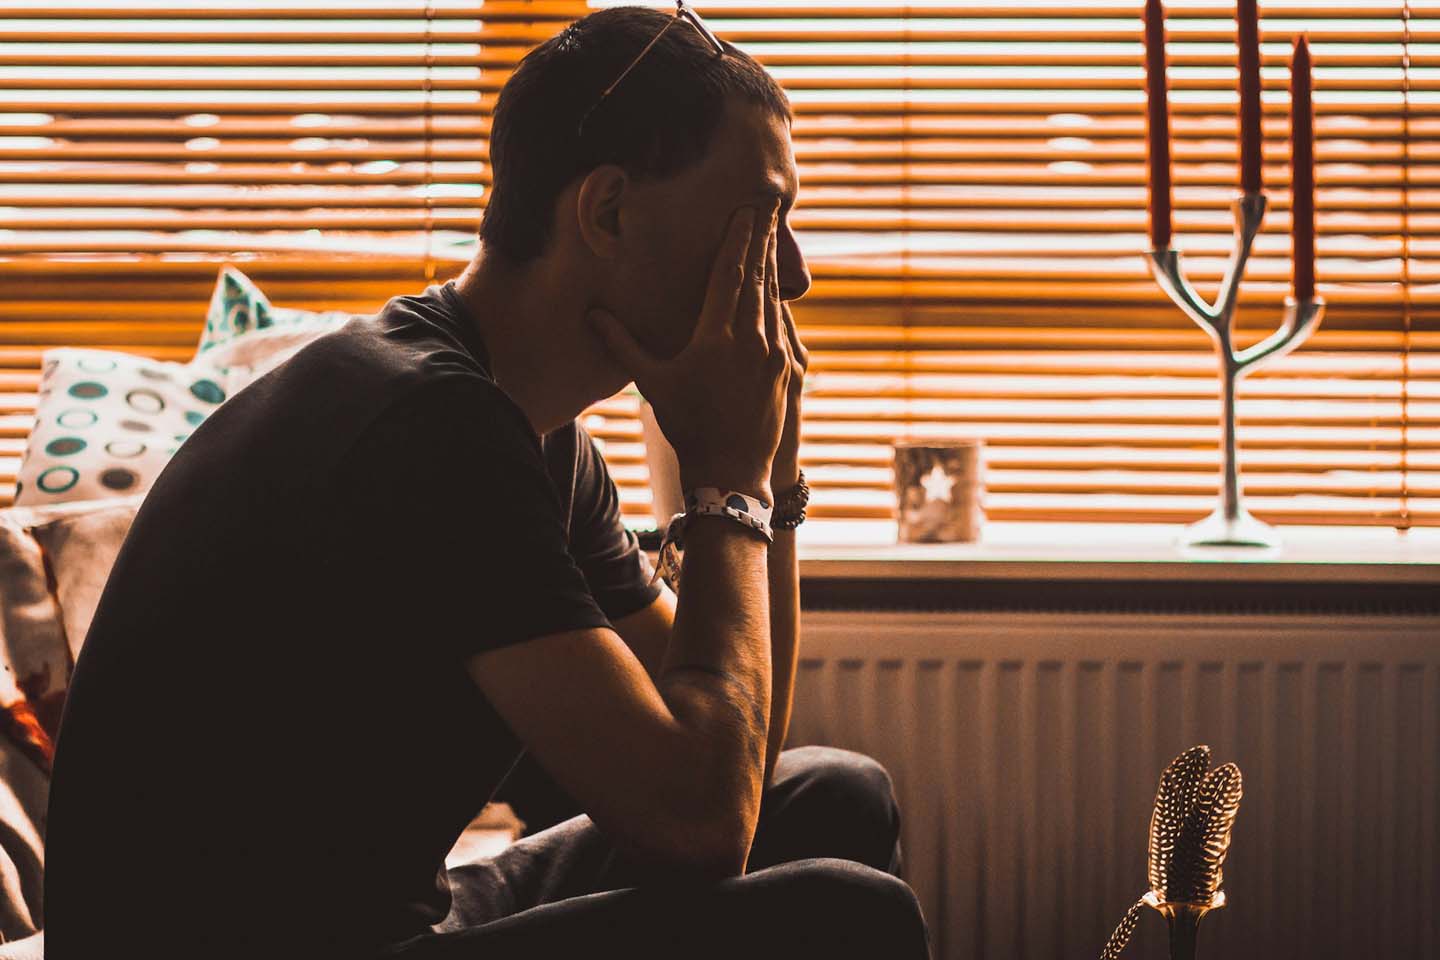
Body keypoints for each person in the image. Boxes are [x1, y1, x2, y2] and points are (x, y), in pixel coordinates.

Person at [43, 6, 931, 959]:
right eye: (761, 221)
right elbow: (700, 823)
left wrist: (770, 475)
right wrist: (728, 482)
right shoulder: (427, 425)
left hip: (381, 919)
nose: (792, 276)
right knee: (850, 910)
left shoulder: (532, 436)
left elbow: (733, 767)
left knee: (835, 791)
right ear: (608, 211)